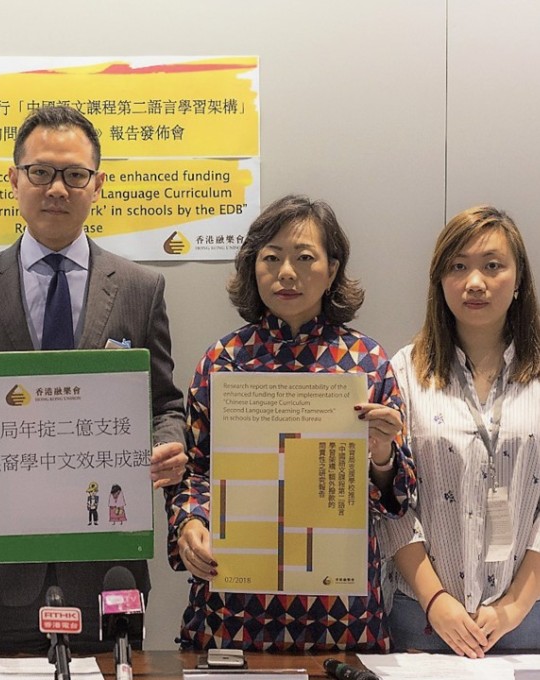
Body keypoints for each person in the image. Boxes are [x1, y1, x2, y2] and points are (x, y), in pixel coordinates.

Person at [0, 105, 188, 654]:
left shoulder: (139, 288)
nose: (56, 188)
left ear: (97, 185)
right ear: (13, 179)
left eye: (74, 175)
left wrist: (167, 444)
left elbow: (165, 403)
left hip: (109, 559)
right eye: (40, 172)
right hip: (1, 565)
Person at [168, 194, 417, 651]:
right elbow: (194, 471)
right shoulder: (223, 361)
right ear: (252, 267)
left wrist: (381, 455)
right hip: (235, 606)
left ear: (333, 269)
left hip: (340, 610)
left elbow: (395, 504)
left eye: (304, 257)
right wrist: (190, 524)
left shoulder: (367, 362)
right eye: (272, 257)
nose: (287, 273)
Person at [379, 206, 540, 656]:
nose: (474, 282)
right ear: (440, 279)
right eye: (458, 266)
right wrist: (435, 601)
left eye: (492, 266)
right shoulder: (404, 371)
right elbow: (388, 496)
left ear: (519, 278)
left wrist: (514, 605)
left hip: (528, 619)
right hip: (422, 618)